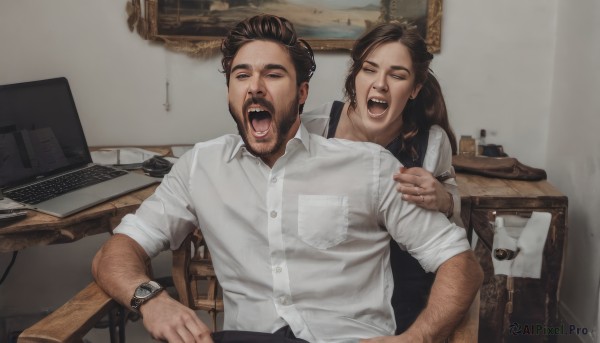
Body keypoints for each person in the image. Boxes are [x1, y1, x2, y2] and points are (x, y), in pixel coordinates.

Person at [92, 14, 482, 343]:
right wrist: (152, 299)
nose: (255, 86)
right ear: (229, 91)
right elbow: (117, 252)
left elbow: (461, 265)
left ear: (301, 93)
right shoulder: (200, 167)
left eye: (273, 74)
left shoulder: (372, 166)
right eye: (241, 75)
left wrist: (415, 340)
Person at [302, 22, 460, 333]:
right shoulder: (314, 129)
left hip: (400, 304)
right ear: (355, 77)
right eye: (369, 70)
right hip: (324, 301)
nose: (380, 84)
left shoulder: (432, 144)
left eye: (397, 75)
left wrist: (445, 199)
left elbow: (451, 240)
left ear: (415, 88)